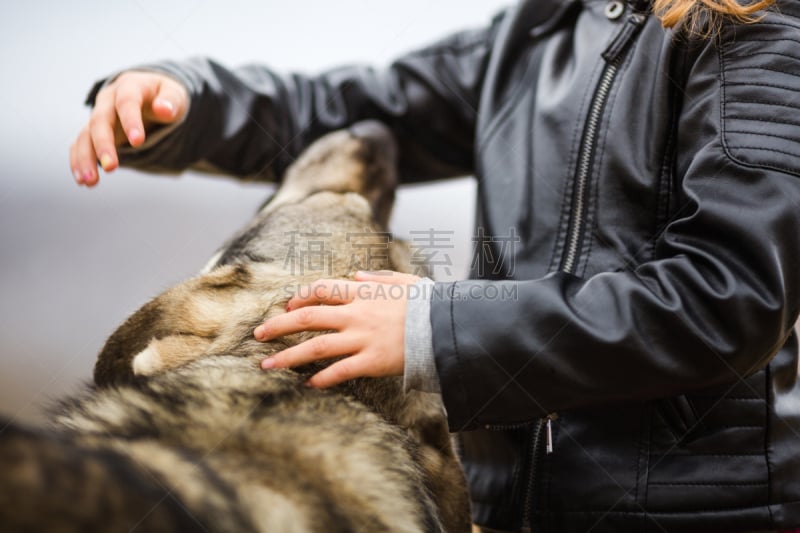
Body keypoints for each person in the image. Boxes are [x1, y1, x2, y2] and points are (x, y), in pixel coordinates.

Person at [70, 0, 800, 530]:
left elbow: (727, 295)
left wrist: (435, 329)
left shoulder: (762, 29)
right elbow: (355, 105)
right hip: (497, 502)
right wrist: (191, 99)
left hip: (696, 509)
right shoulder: (542, 26)